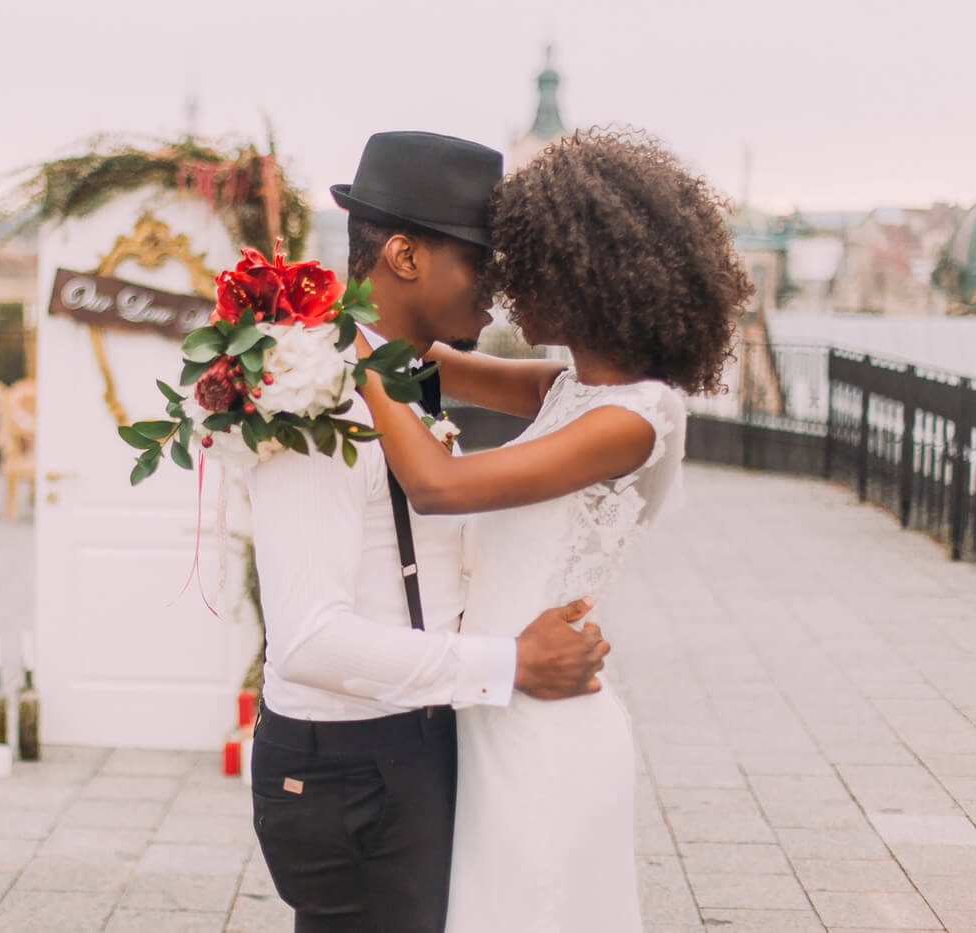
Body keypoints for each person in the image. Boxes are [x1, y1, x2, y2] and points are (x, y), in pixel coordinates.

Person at [353, 128, 752, 932]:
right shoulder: (565, 387)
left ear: (586, 274)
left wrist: (345, 361)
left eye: (524, 267)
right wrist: (322, 320)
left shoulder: (638, 417)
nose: (501, 292)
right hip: (498, 702)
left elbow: (434, 485)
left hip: (546, 736)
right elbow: (417, 364)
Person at [246, 130, 611, 933]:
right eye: (483, 259)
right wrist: (512, 663)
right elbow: (308, 641)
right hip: (351, 767)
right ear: (405, 257)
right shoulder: (315, 394)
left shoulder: (404, 364)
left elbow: (568, 390)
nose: (498, 289)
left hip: (409, 736)